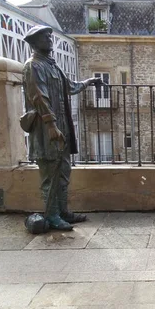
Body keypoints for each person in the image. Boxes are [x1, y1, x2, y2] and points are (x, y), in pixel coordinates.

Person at [22, 25, 102, 230]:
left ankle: (63, 211)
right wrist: (50, 125)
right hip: (47, 130)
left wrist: (90, 81)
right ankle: (52, 215)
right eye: (45, 37)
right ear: (34, 42)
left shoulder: (53, 66)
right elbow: (39, 98)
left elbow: (70, 87)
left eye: (50, 36)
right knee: (50, 174)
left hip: (62, 128)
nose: (50, 39)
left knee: (63, 172)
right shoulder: (33, 66)